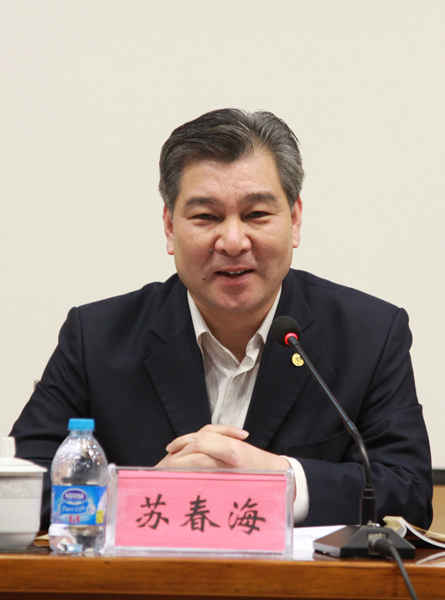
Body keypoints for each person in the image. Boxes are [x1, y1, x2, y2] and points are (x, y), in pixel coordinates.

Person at [10, 108, 433, 531]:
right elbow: (20, 488)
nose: (232, 242)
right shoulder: (96, 338)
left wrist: (283, 479)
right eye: (206, 217)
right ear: (169, 227)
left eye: (257, 214)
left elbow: (409, 494)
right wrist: (145, 493)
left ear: (295, 220)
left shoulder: (370, 335)